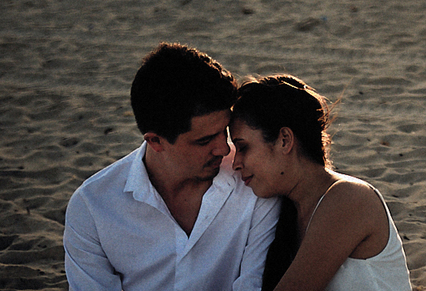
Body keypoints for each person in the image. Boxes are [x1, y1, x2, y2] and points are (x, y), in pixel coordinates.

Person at [64, 42, 281, 291]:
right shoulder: (93, 206)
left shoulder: (254, 183)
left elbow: (253, 285)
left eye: (224, 132)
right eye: (204, 140)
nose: (223, 148)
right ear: (155, 141)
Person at [230, 74, 412, 291]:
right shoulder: (285, 211)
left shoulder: (349, 198)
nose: (235, 163)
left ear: (284, 140)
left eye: (243, 147)